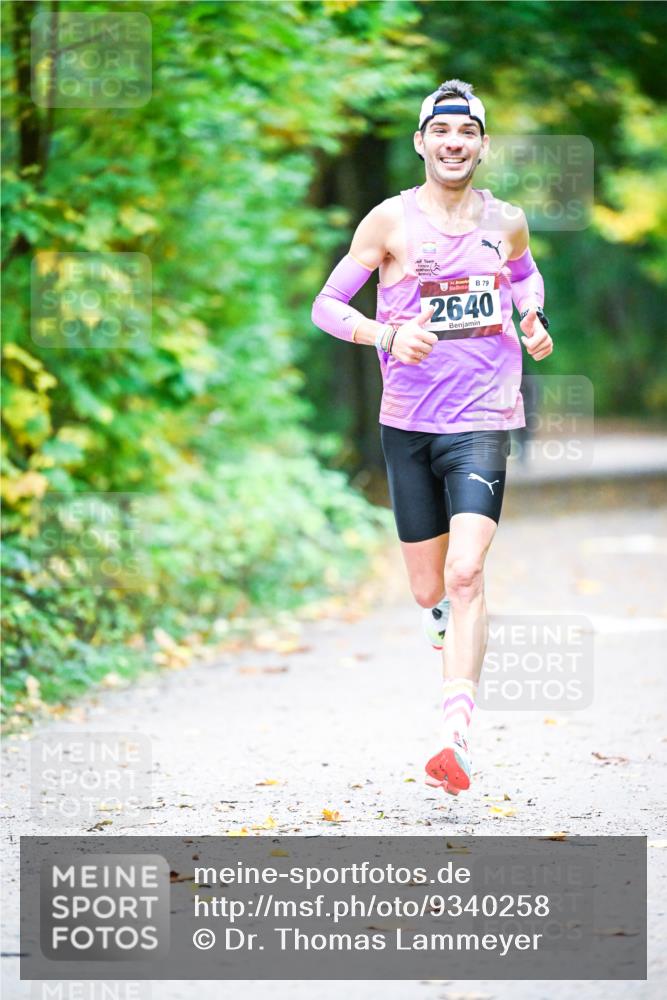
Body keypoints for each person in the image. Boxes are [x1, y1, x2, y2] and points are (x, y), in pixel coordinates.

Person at [311, 79, 553, 796]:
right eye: (440, 131)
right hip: (408, 424)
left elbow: (523, 278)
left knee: (466, 572)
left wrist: (532, 319)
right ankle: (442, 620)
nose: (454, 143)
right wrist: (386, 332)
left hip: (482, 417)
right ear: (421, 142)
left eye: (467, 132)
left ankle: (454, 735)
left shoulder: (505, 221)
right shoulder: (386, 224)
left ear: (480, 144)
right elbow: (326, 306)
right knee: (427, 590)